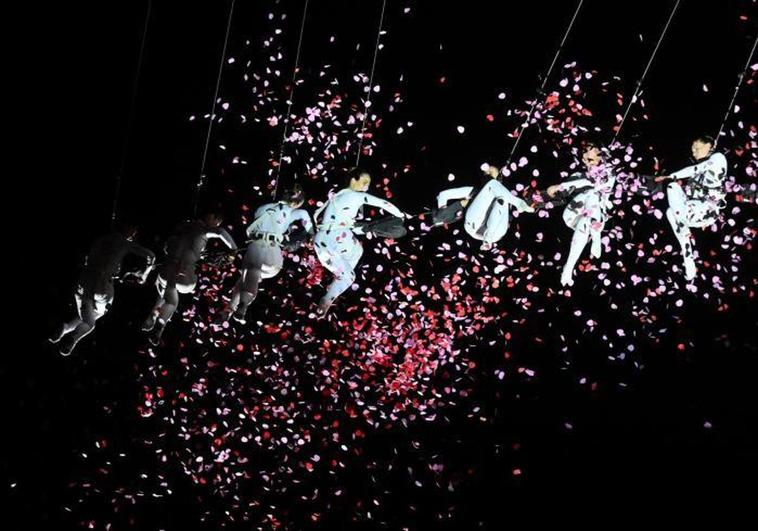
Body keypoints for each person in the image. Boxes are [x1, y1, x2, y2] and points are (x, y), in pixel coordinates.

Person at [50, 223, 155, 356]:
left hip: (84, 281)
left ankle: (65, 328)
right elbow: (151, 256)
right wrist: (144, 274)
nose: (133, 235)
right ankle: (73, 338)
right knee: (91, 320)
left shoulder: (100, 239)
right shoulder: (124, 243)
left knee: (87, 315)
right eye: (133, 232)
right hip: (102, 285)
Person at [313, 168, 406, 316]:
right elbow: (382, 203)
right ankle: (327, 300)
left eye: (368, 184)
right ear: (353, 180)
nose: (367, 187)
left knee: (358, 250)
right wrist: (400, 215)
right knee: (349, 277)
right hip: (332, 239)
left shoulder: (337, 196)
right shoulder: (355, 196)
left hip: (325, 239)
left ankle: (337, 282)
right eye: (364, 183)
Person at [219, 185, 313, 323]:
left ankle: (239, 305)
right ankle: (234, 307)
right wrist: (311, 235)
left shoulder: (263, 207)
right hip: (271, 255)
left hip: (258, 248)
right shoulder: (293, 212)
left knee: (248, 274)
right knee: (247, 277)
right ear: (298, 202)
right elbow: (306, 220)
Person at [142, 211, 236, 344]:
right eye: (216, 222)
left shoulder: (182, 227)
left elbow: (167, 247)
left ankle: (154, 313)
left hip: (167, 270)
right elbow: (220, 232)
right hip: (184, 276)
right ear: (212, 217)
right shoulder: (205, 230)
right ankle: (159, 326)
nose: (216, 224)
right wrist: (234, 250)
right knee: (173, 300)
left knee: (168, 293)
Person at [655, 135, 727, 280]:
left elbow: (696, 168)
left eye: (696, 148)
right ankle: (688, 259)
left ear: (708, 146)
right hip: (693, 210)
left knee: (671, 184)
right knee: (670, 209)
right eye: (692, 150)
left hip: (706, 211)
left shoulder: (718, 158)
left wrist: (671, 175)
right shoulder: (702, 170)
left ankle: (684, 229)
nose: (693, 152)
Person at [544, 142, 616, 287]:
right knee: (592, 194)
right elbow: (581, 183)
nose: (588, 161)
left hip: (593, 217)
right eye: (586, 156)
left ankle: (568, 268)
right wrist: (560, 186)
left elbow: (596, 182)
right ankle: (596, 237)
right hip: (573, 213)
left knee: (588, 216)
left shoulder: (609, 171)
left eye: (594, 150)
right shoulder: (579, 175)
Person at [435, 164, 534, 250]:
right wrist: (444, 211)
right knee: (495, 189)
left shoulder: (505, 195)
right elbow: (443, 195)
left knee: (503, 200)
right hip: (474, 225)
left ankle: (488, 238)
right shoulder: (474, 191)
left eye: (492, 172)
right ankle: (519, 204)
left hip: (495, 232)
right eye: (488, 173)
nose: (489, 174)